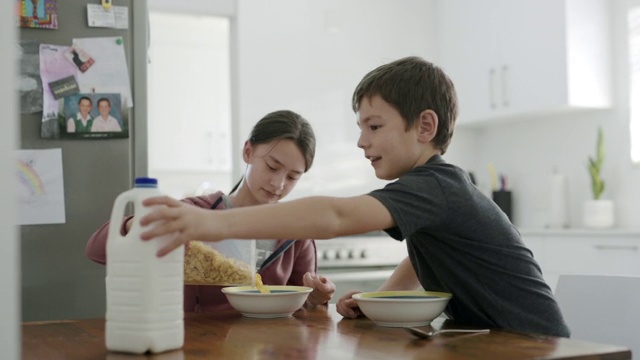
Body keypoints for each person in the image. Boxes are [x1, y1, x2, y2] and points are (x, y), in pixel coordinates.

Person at [135, 56, 571, 337]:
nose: (362, 141)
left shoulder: (437, 186)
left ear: (424, 126)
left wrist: (211, 223)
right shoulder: (436, 190)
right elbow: (421, 256)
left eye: (374, 126)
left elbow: (337, 216)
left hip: (535, 345)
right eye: (361, 127)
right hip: (497, 340)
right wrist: (378, 301)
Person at [85, 110, 335, 312]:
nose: (278, 184)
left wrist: (315, 300)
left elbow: (303, 309)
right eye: (272, 167)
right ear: (248, 151)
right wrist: (135, 224)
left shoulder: (297, 232)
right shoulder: (198, 213)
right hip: (198, 345)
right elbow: (96, 250)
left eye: (292, 177)